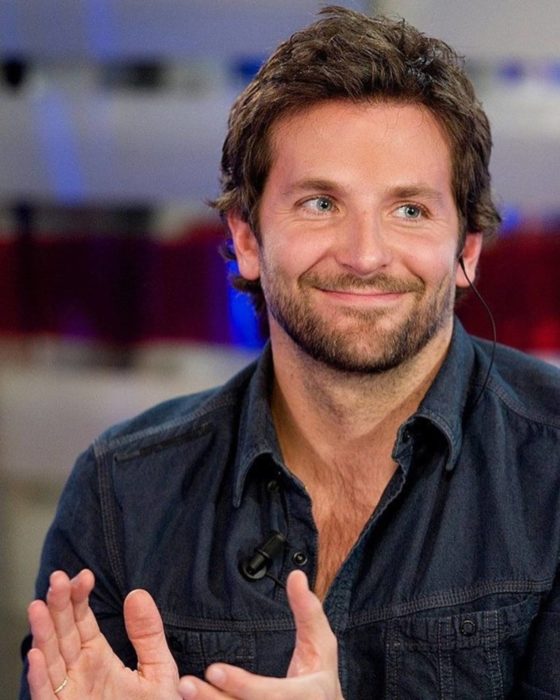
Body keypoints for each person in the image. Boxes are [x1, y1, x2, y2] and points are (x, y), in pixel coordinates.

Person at [20, 6, 560, 699]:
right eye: (319, 203)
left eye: (409, 210)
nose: (364, 255)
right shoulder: (121, 491)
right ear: (246, 238)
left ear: (468, 252)